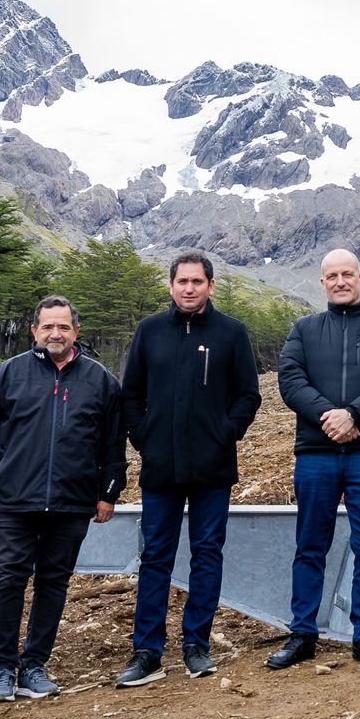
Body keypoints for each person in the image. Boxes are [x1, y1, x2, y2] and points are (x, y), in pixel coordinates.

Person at [0, 296, 126, 703]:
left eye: (63, 327)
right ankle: (1, 669)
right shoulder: (6, 376)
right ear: (35, 331)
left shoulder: (100, 381)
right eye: (48, 326)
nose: (56, 333)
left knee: (54, 582)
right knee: (9, 579)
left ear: (76, 332)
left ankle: (34, 665)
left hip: (72, 503)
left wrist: (107, 494)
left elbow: (113, 446)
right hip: (14, 501)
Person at [115, 253, 262, 687]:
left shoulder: (232, 333)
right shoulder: (149, 331)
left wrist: (224, 434)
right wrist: (145, 438)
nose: (189, 288)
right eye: (182, 281)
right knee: (155, 556)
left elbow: (247, 396)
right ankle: (147, 652)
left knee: (207, 555)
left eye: (197, 281)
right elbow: (130, 395)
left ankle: (197, 645)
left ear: (211, 286)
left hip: (212, 468)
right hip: (160, 469)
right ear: (171, 285)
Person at [269, 248, 360, 670]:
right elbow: (290, 380)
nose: (339, 281)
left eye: (346, 274)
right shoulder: (304, 329)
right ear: (322, 283)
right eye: (331, 275)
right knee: (310, 545)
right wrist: (327, 417)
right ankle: (303, 634)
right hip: (317, 454)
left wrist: (354, 414)